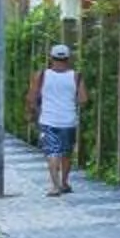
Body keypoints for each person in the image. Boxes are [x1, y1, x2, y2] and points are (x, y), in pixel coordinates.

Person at [31, 42, 82, 197]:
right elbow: (83, 99)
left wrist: (35, 109)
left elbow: (32, 96)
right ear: (68, 59)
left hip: (48, 120)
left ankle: (54, 186)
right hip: (69, 120)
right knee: (66, 153)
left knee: (53, 152)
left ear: (51, 58)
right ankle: (65, 183)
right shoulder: (75, 76)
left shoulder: (41, 75)